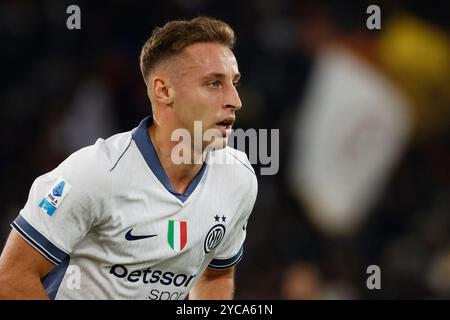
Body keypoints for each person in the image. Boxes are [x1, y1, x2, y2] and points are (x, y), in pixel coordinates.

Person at [0, 16, 258, 300]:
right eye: (213, 83)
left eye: (234, 82)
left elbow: (216, 274)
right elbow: (12, 276)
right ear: (163, 90)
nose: (235, 100)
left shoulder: (238, 178)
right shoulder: (96, 172)